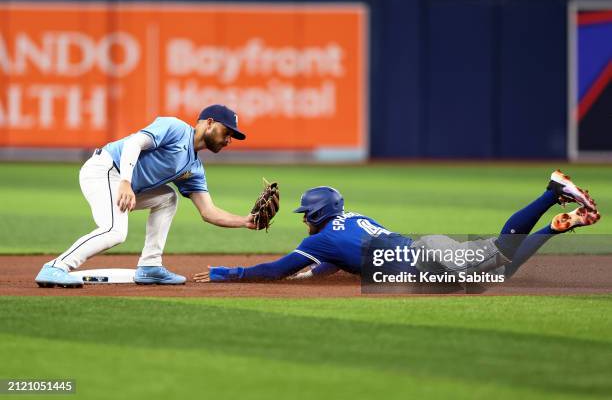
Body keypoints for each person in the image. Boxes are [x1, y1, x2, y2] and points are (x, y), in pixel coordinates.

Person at [194, 170, 600, 283]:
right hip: (430, 252)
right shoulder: (353, 220)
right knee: (501, 268)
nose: (302, 218)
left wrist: (228, 272)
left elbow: (273, 270)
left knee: (504, 253)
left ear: (318, 214)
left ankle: (551, 192)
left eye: (305, 213)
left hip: (429, 264)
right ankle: (554, 226)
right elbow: (338, 262)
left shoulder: (322, 241)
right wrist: (311, 274)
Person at [36, 104, 256, 288]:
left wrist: (245, 221)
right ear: (208, 122)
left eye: (232, 136)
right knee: (114, 231)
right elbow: (134, 142)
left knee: (168, 198)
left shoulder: (194, 168)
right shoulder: (176, 128)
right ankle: (56, 267)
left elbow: (209, 212)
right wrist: (125, 182)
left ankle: (150, 266)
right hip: (105, 170)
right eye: (226, 132)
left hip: (125, 183)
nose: (229, 140)